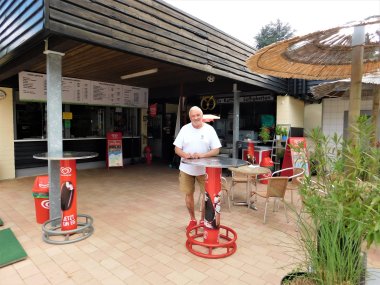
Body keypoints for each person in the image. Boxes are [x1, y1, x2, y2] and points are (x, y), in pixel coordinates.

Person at [173, 106, 221, 232]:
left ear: (202, 115)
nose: (195, 118)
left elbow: (216, 149)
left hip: (204, 170)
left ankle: (202, 219)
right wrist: (186, 155)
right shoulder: (185, 129)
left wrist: (202, 155)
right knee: (188, 194)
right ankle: (192, 219)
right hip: (186, 168)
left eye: (198, 115)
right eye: (193, 116)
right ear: (190, 117)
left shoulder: (209, 130)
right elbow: (177, 149)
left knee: (206, 196)